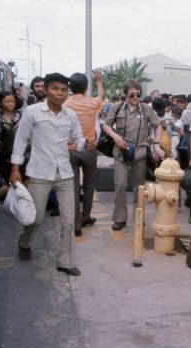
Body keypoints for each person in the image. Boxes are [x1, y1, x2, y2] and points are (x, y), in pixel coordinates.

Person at [10, 73, 86, 276]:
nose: (60, 93)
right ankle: (24, 243)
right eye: (55, 89)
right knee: (36, 218)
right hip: (39, 173)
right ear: (46, 90)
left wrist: (81, 143)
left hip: (65, 174)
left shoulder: (70, 115)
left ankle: (65, 261)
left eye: (64, 90)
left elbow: (78, 138)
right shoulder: (33, 112)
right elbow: (20, 140)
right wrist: (15, 169)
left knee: (69, 220)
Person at [102, 79, 163, 231]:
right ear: (125, 94)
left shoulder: (146, 109)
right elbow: (105, 125)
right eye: (132, 95)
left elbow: (158, 126)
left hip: (140, 153)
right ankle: (120, 218)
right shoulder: (117, 108)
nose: (135, 98)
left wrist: (156, 143)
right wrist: (115, 137)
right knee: (120, 185)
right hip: (121, 153)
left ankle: (138, 217)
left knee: (139, 188)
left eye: (138, 94)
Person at [64, 71, 104, 237]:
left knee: (73, 187)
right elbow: (101, 96)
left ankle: (76, 225)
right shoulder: (92, 103)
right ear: (86, 88)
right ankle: (86, 216)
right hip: (88, 149)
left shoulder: (65, 104)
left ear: (70, 87)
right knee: (89, 185)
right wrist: (99, 81)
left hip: (70, 150)